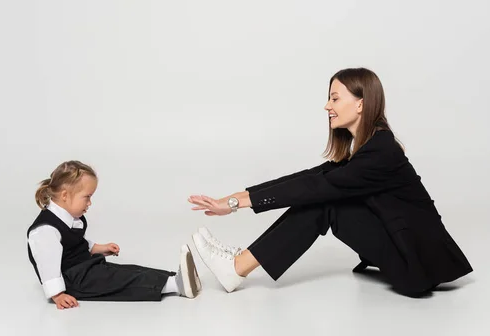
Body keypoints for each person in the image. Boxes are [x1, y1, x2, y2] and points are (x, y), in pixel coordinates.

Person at [188, 67, 473, 297]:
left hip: (418, 265)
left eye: (335, 98)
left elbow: (314, 189)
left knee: (324, 203)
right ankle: (238, 264)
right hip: (409, 254)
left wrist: (237, 203)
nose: (327, 106)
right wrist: (237, 197)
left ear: (360, 103)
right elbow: (312, 177)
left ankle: (237, 267)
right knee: (320, 195)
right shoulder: (368, 145)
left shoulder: (381, 151)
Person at [28, 160, 201, 309]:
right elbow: (47, 265)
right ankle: (176, 285)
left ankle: (174, 277)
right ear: (65, 195)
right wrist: (57, 294)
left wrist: (99, 248)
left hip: (85, 268)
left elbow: (76, 243)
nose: (90, 203)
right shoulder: (45, 229)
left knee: (128, 270)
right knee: (120, 280)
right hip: (74, 280)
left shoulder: (70, 217)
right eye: (86, 197)